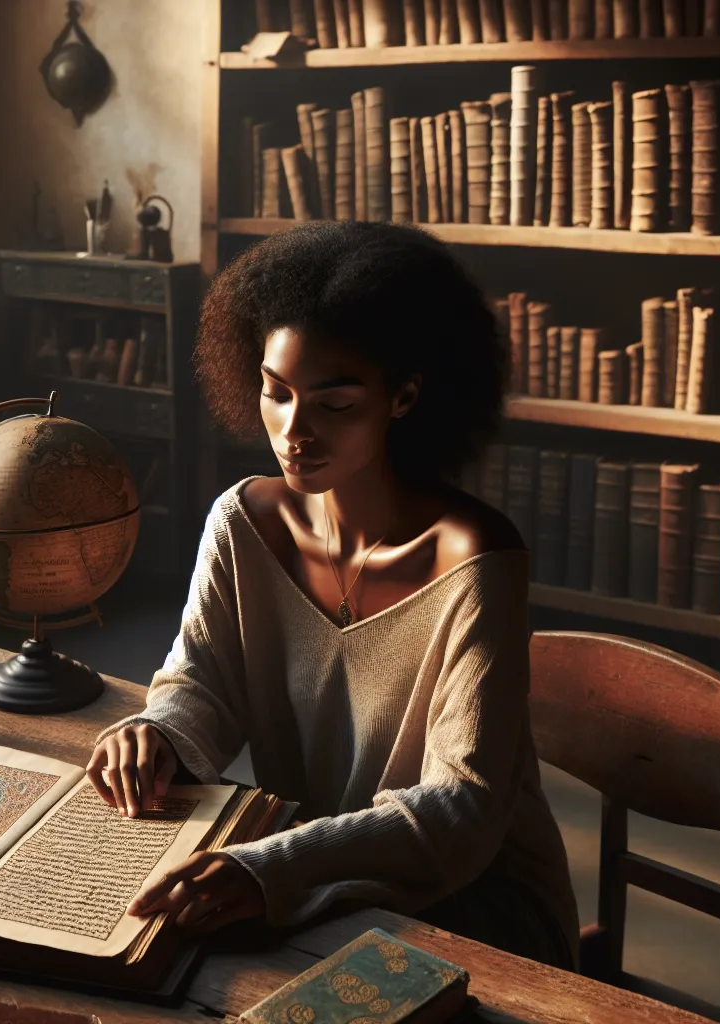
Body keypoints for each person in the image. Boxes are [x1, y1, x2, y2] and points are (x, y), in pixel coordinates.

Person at [87, 221, 578, 970]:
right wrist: (156, 729)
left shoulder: (478, 560)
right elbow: (202, 683)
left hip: (478, 907)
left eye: (333, 403)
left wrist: (271, 868)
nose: (293, 432)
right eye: (275, 393)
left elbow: (462, 809)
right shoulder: (242, 523)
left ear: (404, 397)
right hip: (319, 874)